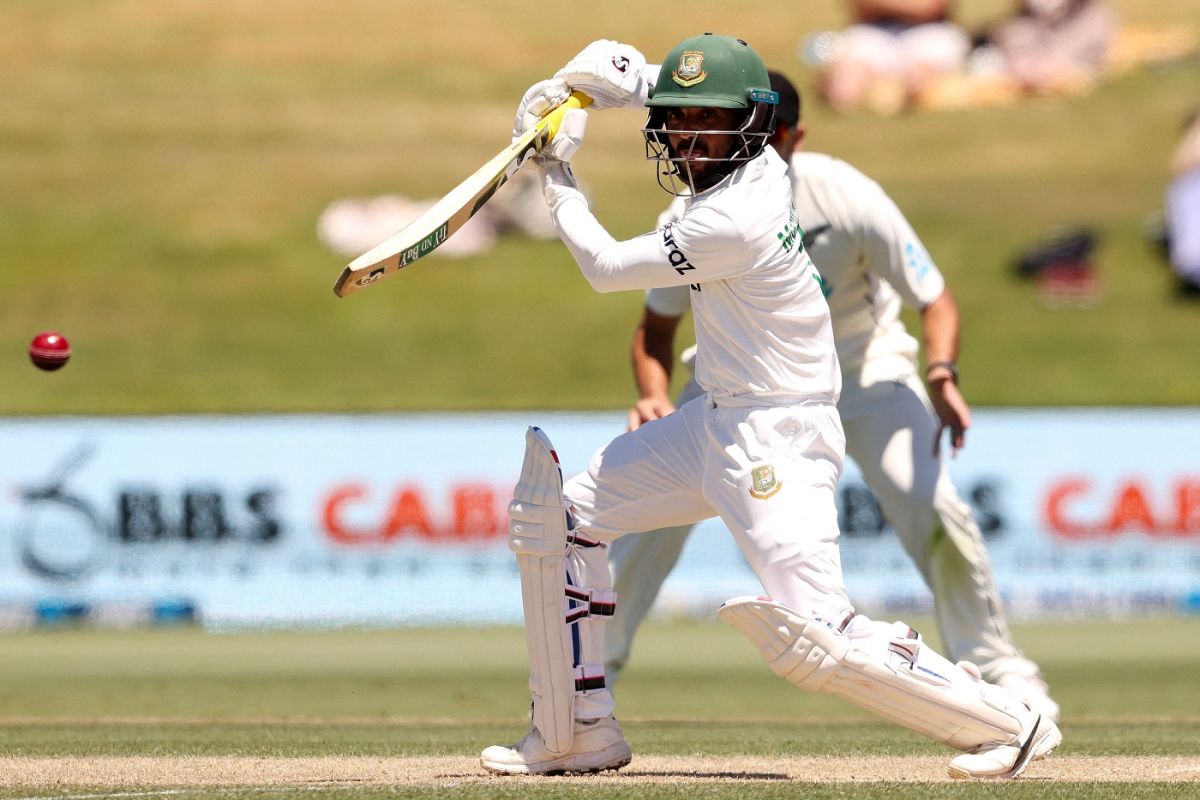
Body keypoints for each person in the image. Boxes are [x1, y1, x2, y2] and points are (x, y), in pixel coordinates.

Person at [480, 34, 1060, 780]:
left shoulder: (732, 219)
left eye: (704, 126)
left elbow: (602, 267)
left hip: (776, 436)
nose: (687, 138)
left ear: (752, 129)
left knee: (819, 638)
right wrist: (603, 85)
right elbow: (703, 94)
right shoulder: (744, 145)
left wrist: (553, 169)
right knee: (561, 521)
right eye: (677, 121)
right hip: (709, 418)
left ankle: (1011, 722)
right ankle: (575, 731)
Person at [607, 70, 1060, 724]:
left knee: (933, 503)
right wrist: (652, 396)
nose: (747, 152)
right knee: (644, 529)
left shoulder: (844, 193)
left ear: (793, 136)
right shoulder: (694, 214)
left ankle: (1002, 675)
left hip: (864, 375)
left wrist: (940, 375)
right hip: (740, 391)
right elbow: (654, 331)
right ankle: (590, 687)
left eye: (765, 137)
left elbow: (934, 298)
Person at [820, 0, 972, 114]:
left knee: (919, 76)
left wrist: (882, 5)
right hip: (875, 31)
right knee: (846, 82)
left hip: (929, 31)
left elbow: (930, 7)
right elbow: (859, 7)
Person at [987, 0, 1115, 97]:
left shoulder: (1092, 19)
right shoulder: (1018, 26)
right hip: (1034, 31)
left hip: (1075, 29)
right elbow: (1016, 36)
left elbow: (1053, 64)